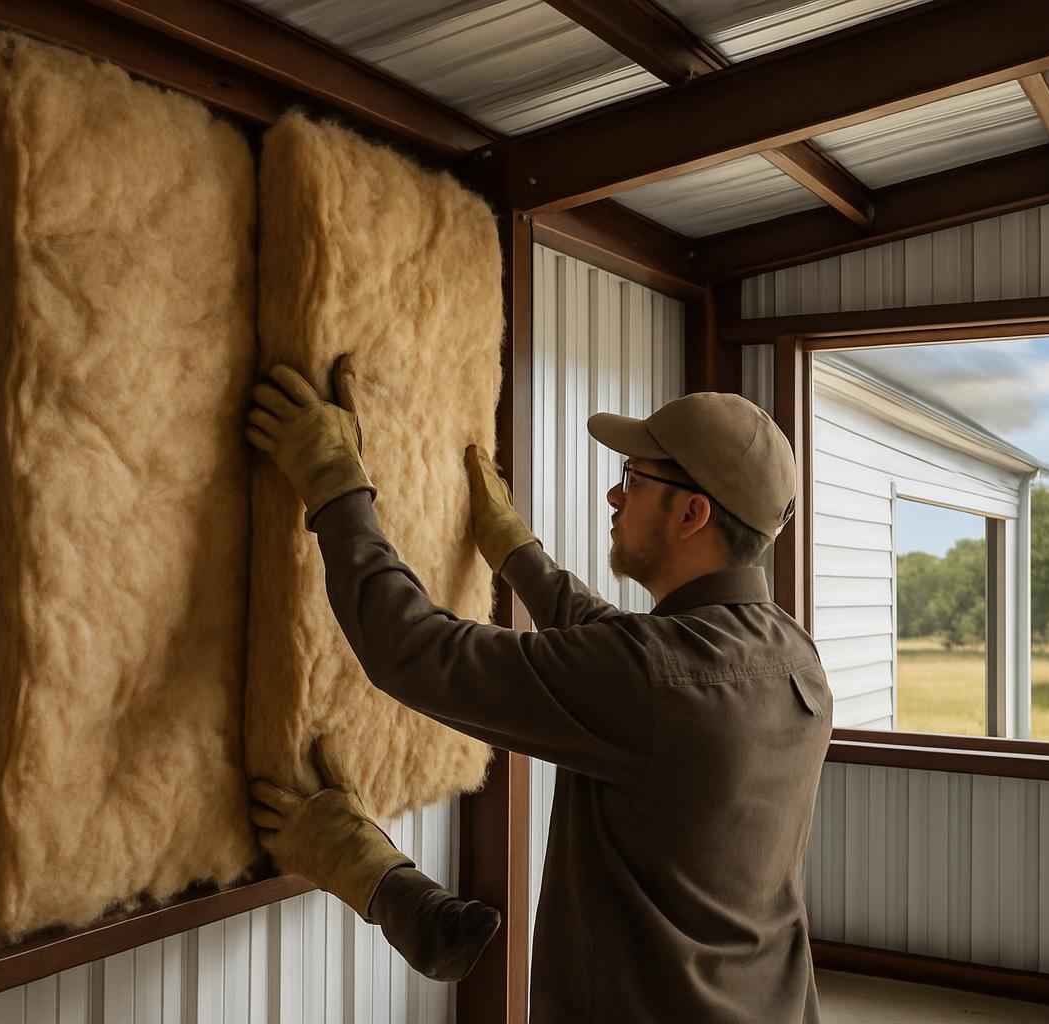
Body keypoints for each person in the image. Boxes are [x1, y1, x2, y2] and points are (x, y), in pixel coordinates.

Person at [246, 357, 833, 1022]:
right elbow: (618, 648)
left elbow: (412, 649)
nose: (615, 497)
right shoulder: (791, 655)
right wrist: (519, 554)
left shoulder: (653, 679)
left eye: (633, 480)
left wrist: (334, 483)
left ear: (692, 513)